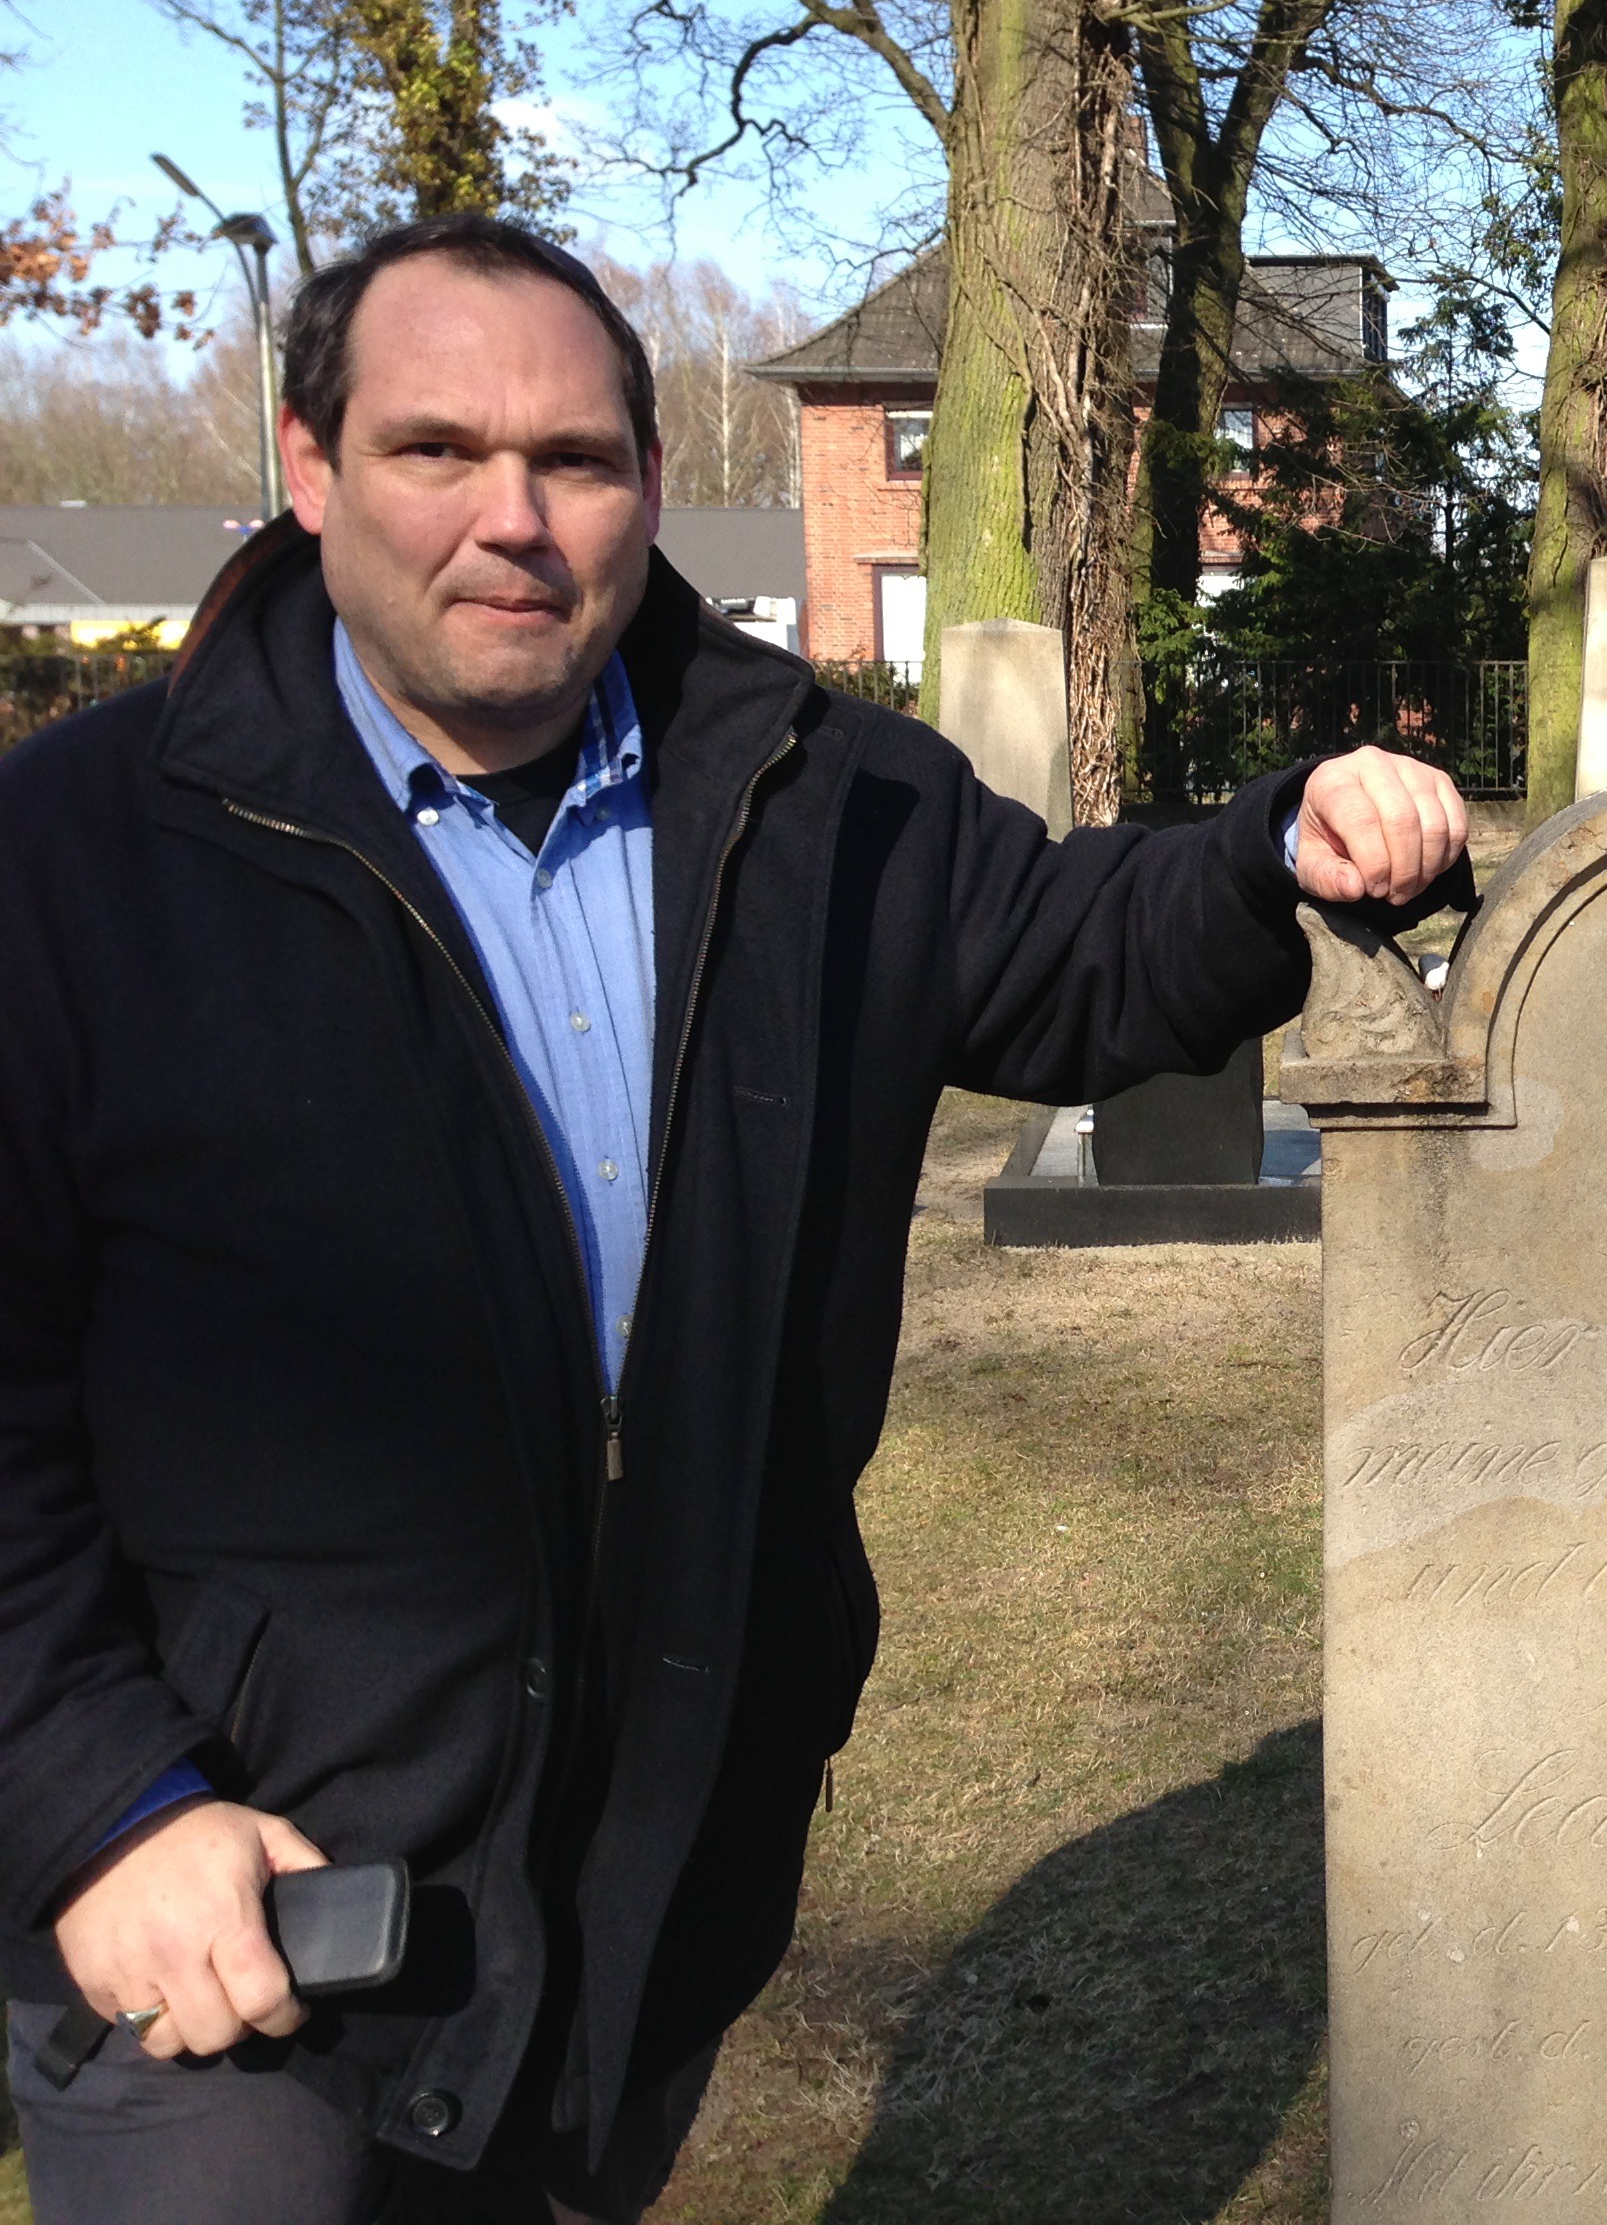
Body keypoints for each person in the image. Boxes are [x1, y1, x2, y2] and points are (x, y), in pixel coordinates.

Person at [0, 215, 1471, 2223]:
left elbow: (1065, 959)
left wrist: (1282, 841)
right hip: (244, 1899)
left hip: (654, 1855)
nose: (514, 519)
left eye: (578, 461)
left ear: (651, 485)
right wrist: (101, 1808)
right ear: (311, 465)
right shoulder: (72, 864)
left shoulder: (812, 789)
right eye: (438, 450)